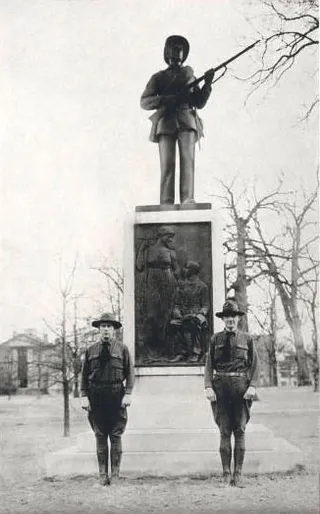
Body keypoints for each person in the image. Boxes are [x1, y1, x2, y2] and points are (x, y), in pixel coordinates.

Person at [140, 35, 214, 205]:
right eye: (173, 48)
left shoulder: (190, 75)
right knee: (167, 164)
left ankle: (188, 198)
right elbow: (144, 101)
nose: (177, 51)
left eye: (180, 49)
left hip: (187, 121)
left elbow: (199, 102)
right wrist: (166, 99)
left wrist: (207, 84)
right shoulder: (158, 77)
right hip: (166, 122)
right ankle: (166, 202)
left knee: (188, 161)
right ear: (167, 52)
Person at [204, 299, 259, 487]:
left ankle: (239, 473)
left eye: (233, 316)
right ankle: (226, 473)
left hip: (241, 388)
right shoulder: (215, 339)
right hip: (220, 388)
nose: (230, 320)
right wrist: (208, 386)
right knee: (224, 430)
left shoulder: (247, 339)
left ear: (238, 319)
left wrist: (252, 386)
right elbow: (209, 365)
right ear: (223, 319)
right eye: (227, 316)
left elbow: (255, 365)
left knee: (240, 430)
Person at [80, 313, 134, 486]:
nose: (106, 330)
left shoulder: (122, 349)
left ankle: (116, 474)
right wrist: (83, 395)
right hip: (96, 395)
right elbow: (84, 376)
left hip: (117, 393)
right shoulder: (91, 350)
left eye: (109, 327)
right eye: (103, 326)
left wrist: (128, 393)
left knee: (116, 434)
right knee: (100, 435)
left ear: (114, 330)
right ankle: (103, 474)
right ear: (98, 329)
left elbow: (130, 372)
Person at [136, 225, 179, 360]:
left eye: (172, 237)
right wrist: (141, 249)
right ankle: (150, 349)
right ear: (161, 236)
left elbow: (176, 270)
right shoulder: (148, 250)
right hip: (152, 283)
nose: (170, 239)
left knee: (165, 315)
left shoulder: (171, 253)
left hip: (168, 282)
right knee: (152, 315)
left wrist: (176, 285)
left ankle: (165, 350)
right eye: (168, 236)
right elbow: (139, 266)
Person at [169, 261, 209, 363]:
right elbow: (177, 304)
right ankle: (181, 352)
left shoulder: (202, 287)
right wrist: (176, 312)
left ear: (192, 271)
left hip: (196, 315)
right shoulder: (181, 286)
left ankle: (196, 353)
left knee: (195, 323)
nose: (184, 270)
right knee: (172, 324)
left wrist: (200, 313)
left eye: (186, 268)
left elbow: (205, 306)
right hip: (183, 316)